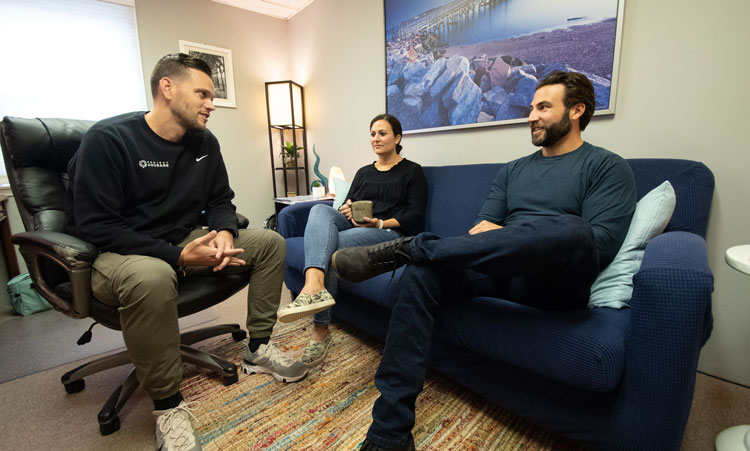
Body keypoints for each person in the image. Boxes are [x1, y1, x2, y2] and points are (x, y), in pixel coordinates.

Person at [331, 72, 638, 451]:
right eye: (531, 107)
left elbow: (600, 245)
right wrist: (477, 249)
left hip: (554, 280)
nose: (531, 116)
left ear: (577, 111)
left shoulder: (607, 167)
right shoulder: (514, 169)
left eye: (543, 107)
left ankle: (411, 246)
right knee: (421, 275)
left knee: (574, 230)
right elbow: (483, 231)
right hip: (499, 267)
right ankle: (388, 433)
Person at [64, 53, 306, 451]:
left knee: (269, 242)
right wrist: (175, 256)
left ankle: (259, 347)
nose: (212, 104)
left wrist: (225, 231)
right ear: (167, 88)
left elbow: (221, 200)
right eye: (203, 94)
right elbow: (97, 226)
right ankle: (168, 405)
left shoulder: (204, 142)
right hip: (121, 251)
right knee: (153, 276)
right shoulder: (108, 141)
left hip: (185, 239)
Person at [276, 114, 428, 368]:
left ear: (397, 138)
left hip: (388, 232)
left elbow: (414, 215)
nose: (375, 139)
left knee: (329, 245)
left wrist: (378, 222)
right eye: (372, 134)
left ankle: (320, 330)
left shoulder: (412, 171)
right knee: (319, 211)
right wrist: (347, 208)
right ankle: (314, 285)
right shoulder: (364, 172)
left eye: (382, 133)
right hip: (355, 227)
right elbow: (351, 201)